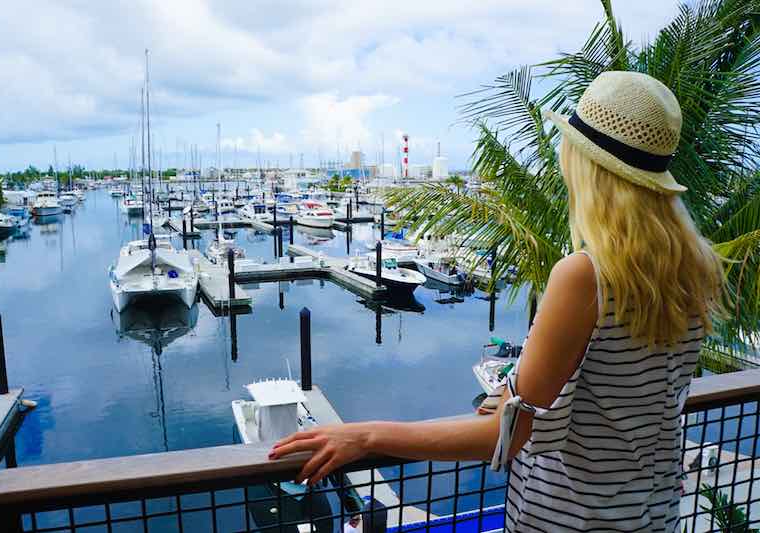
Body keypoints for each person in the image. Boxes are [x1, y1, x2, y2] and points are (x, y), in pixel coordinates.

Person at [269, 71, 724, 532]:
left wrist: (366, 435)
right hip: (651, 511)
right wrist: (519, 397)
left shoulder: (586, 276)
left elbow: (506, 434)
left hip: (571, 518)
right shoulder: (695, 267)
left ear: (586, 166)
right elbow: (622, 394)